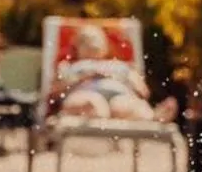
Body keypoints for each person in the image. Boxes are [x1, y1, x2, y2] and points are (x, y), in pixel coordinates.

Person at [48, 24, 177, 122]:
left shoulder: (121, 66)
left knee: (124, 106)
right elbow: (54, 93)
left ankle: (153, 117)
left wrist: (129, 79)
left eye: (97, 39)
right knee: (92, 104)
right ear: (77, 47)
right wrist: (82, 77)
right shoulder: (69, 67)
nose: (92, 44)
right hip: (85, 94)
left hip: (120, 96)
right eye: (86, 40)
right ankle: (98, 114)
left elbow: (144, 92)